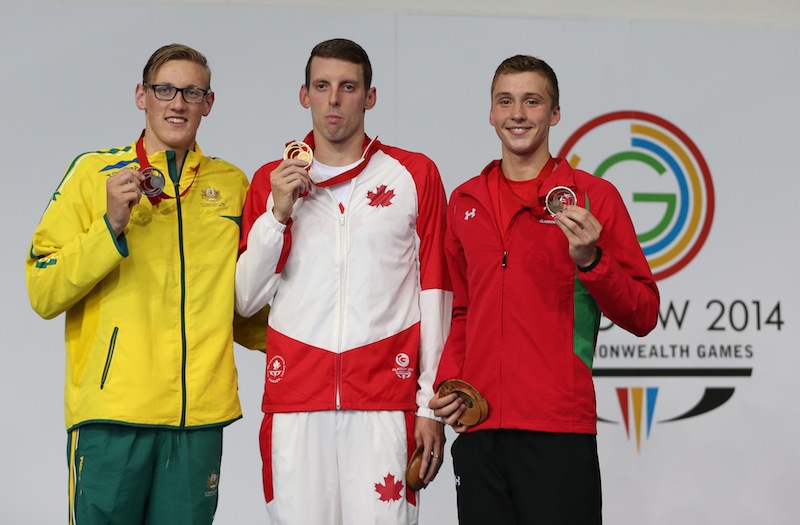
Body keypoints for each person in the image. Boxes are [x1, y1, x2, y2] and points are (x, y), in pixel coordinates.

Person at [25, 43, 256, 524]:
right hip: (113, 417)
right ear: (141, 95)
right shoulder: (94, 174)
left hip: (198, 419)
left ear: (208, 103)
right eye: (165, 89)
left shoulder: (233, 185)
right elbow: (42, 290)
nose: (177, 103)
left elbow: (244, 305)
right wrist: (109, 227)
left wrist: (324, 348)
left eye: (192, 92)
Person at [429, 55, 660, 524]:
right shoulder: (464, 201)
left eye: (532, 101)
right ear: (491, 114)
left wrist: (592, 260)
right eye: (506, 101)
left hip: (557, 427)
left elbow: (643, 313)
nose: (518, 114)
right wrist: (449, 383)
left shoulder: (594, 198)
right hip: (479, 429)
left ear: (555, 113)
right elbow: (462, 310)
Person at [235, 38, 452, 525]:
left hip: (384, 399)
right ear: (304, 95)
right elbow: (247, 299)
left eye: (348, 87)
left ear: (369, 97)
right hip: (295, 400)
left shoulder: (412, 175)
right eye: (322, 86)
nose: (334, 100)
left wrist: (430, 405)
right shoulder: (272, 179)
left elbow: (436, 292)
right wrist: (278, 214)